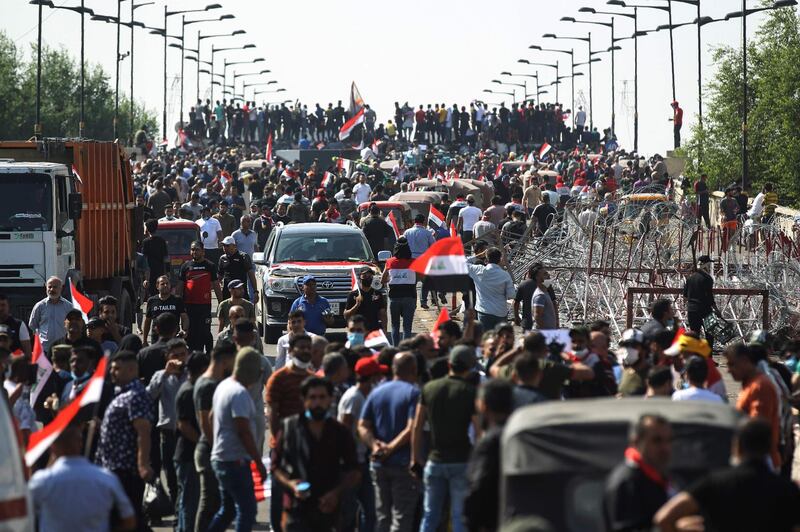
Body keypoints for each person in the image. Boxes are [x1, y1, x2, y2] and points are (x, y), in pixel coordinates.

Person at [655, 418, 800, 532]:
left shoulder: (714, 482)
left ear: (737, 446)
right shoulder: (788, 490)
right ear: (770, 448)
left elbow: (663, 518)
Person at [272, 376, 361, 531]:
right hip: (296, 509)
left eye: (322, 397)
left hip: (328, 510)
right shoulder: (289, 428)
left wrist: (336, 493)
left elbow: (354, 470)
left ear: (330, 399)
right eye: (312, 398)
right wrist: (291, 485)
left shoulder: (339, 432)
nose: (317, 403)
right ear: (304, 399)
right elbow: (276, 467)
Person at [412, 345, 479, 532]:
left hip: (435, 459)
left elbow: (416, 426)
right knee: (458, 515)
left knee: (430, 515)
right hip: (461, 460)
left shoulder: (429, 389)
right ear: (469, 366)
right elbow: (478, 430)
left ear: (449, 364)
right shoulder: (470, 392)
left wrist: (415, 457)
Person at [30, 424, 137, 532]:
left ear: (52, 447)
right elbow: (129, 520)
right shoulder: (106, 478)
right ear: (80, 444)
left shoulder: (42, 481)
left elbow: (24, 513)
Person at [358, 352, 420, 532]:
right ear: (414, 370)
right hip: (402, 464)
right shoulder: (413, 393)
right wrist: (391, 448)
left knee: (382, 516)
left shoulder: (377, 391)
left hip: (378, 463)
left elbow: (362, 425)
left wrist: (375, 446)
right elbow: (412, 428)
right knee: (402, 517)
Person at [208, 347, 267, 532]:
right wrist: (258, 462)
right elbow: (243, 431)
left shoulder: (224, 386)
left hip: (223, 457)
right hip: (235, 460)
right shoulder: (239, 393)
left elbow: (211, 417)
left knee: (228, 510)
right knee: (247, 510)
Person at [96, 351, 154, 530]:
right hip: (113, 468)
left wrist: (142, 464)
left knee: (128, 519)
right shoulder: (121, 393)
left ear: (131, 370)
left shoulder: (135, 395)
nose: (112, 372)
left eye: (117, 369)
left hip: (126, 470)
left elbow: (143, 430)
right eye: (112, 369)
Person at [265, 334, 315, 532]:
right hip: (283, 444)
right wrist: (278, 440)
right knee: (279, 491)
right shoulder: (279, 378)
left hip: (308, 446)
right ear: (291, 351)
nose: (305, 351)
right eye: (301, 347)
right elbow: (273, 413)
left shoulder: (314, 379)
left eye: (308, 347)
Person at [338, 357, 388, 532]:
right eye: (377, 374)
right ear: (371, 376)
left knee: (370, 510)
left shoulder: (367, 394)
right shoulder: (354, 397)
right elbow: (345, 429)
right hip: (351, 464)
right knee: (348, 512)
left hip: (364, 461)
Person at [194, 341, 237, 532]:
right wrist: (217, 451)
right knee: (209, 503)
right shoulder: (208, 385)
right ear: (225, 360)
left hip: (215, 450)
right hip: (211, 451)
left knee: (219, 505)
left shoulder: (214, 382)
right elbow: (205, 422)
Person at [603, 414, 673, 532]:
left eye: (669, 440)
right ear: (636, 442)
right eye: (657, 441)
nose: (665, 448)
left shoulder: (657, 477)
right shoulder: (627, 482)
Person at [463, 379, 513, 532]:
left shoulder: (489, 442)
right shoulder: (517, 435)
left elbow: (477, 487)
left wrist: (471, 522)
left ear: (482, 405)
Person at [146, 338, 190, 505]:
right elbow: (149, 396)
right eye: (175, 355)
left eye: (183, 354)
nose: (179, 359)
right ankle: (175, 504)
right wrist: (165, 373)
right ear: (167, 357)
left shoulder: (192, 375)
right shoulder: (160, 375)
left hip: (188, 433)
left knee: (187, 475)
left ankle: (183, 506)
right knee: (170, 472)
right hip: (168, 432)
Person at [725, 342, 782, 469]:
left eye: (731, 364)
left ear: (745, 361)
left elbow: (757, 430)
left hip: (760, 463)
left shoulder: (760, 387)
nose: (728, 370)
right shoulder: (750, 384)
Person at [174, 351, 209, 532]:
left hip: (187, 454)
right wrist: (205, 444)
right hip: (187, 454)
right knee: (189, 503)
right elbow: (184, 425)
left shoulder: (194, 388)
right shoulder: (189, 391)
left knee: (185, 500)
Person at [179, 241, 222, 353]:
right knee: (189, 333)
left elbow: (216, 286)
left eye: (197, 249)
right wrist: (178, 304)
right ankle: (192, 357)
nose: (194, 252)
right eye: (192, 249)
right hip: (188, 306)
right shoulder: (185, 266)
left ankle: (208, 356)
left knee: (205, 333)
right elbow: (180, 287)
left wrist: (221, 303)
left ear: (203, 251)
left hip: (204, 306)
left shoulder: (210, 266)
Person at [467, 247, 516, 331]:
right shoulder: (505, 275)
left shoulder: (478, 270)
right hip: (500, 312)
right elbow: (511, 295)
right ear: (500, 259)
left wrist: (478, 256)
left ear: (486, 258)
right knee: (500, 340)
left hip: (484, 312)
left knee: (486, 339)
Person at [381, 238, 417, 346]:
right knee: (407, 327)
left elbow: (383, 280)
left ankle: (395, 348)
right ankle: (406, 348)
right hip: (410, 297)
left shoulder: (390, 262)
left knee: (395, 326)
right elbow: (420, 277)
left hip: (394, 298)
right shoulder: (414, 262)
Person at [29, 276, 73, 353]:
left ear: (61, 288)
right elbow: (33, 326)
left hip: (63, 348)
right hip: (44, 349)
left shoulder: (69, 306)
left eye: (55, 287)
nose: (52, 289)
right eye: (49, 287)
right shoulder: (39, 306)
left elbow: (72, 325)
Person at [142, 275, 188, 345]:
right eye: (162, 284)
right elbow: (147, 321)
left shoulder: (177, 300)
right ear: (157, 286)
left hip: (174, 338)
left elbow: (184, 317)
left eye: (167, 283)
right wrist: (144, 340)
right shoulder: (152, 300)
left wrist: (184, 330)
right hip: (156, 339)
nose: (165, 285)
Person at [683, 255, 717, 348]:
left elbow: (685, 296)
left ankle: (694, 356)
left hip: (692, 309)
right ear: (706, 264)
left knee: (694, 335)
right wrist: (716, 310)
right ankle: (708, 358)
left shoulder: (690, 278)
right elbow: (710, 297)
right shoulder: (708, 279)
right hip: (705, 310)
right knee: (710, 335)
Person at [345, 268, 388, 333]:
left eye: (370, 276)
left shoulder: (377, 294)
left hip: (373, 330)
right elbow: (346, 315)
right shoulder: (353, 295)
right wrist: (356, 305)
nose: (367, 278)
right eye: (365, 276)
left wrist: (384, 328)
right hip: (358, 330)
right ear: (360, 277)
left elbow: (382, 314)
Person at [218, 236, 258, 303]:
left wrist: (255, 291)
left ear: (234, 246)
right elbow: (219, 277)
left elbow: (251, 275)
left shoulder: (243, 257)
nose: (225, 248)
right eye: (224, 245)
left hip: (241, 292)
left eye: (227, 246)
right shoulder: (222, 258)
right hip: (227, 294)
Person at [141, 219, 170, 297]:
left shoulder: (145, 242)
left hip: (149, 273)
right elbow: (166, 258)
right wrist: (168, 272)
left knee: (151, 294)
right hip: (160, 271)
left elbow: (144, 259)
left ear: (147, 229)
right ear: (156, 228)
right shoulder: (162, 241)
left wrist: (145, 277)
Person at [512, 263, 540, 333]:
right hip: (543, 322)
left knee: (528, 342)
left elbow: (516, 302)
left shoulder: (524, 284)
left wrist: (516, 316)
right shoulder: (545, 284)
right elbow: (553, 302)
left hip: (527, 321)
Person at [530, 265, 558, 330]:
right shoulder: (540, 295)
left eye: (547, 273)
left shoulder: (545, 292)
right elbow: (537, 316)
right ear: (537, 277)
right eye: (545, 274)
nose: (548, 276)